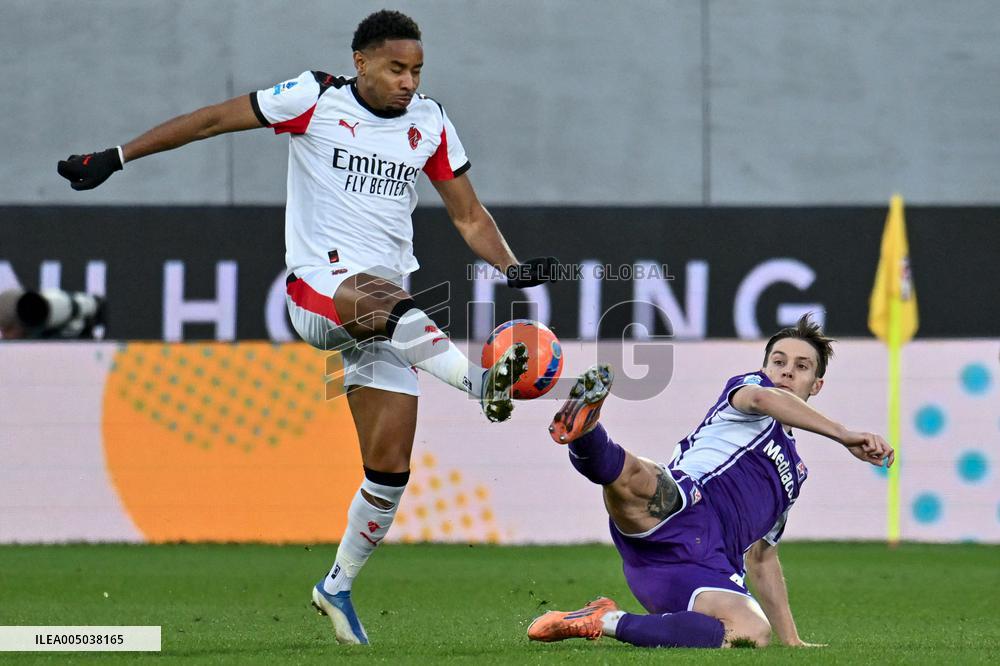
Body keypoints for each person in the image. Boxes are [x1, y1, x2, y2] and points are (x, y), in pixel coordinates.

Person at [58, 9, 556, 646]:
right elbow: (212, 120)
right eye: (397, 68)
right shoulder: (312, 97)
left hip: (388, 320)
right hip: (321, 293)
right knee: (386, 299)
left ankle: (337, 586)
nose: (408, 82)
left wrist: (510, 267)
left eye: (417, 70)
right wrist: (116, 157)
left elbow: (467, 214)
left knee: (389, 468)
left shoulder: (430, 122)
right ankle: (483, 384)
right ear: (362, 62)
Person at [528, 315, 894, 649]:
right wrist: (843, 434)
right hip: (684, 507)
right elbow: (767, 397)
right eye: (778, 362)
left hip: (706, 569)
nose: (786, 372)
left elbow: (763, 559)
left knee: (752, 633)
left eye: (802, 367)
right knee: (636, 478)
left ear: (817, 385)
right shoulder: (748, 392)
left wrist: (793, 641)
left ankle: (603, 620)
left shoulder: (795, 478)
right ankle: (584, 432)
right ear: (764, 368)